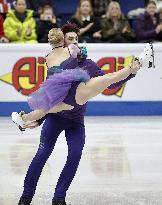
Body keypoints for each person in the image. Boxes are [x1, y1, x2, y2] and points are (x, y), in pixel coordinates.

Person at [15, 23, 153, 205]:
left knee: (75, 155)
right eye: (70, 39)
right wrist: (39, 120)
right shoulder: (56, 65)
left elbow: (110, 83)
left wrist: (131, 73)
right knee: (42, 153)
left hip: (76, 121)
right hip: (55, 118)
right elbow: (50, 100)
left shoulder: (87, 64)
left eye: (76, 39)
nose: (74, 43)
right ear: (63, 43)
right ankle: (26, 196)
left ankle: (59, 198)